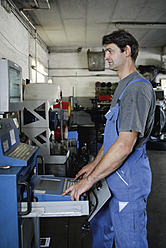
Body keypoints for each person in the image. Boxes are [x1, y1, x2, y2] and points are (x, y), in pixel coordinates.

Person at [62, 29, 156, 248]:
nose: (105, 57)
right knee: (101, 232)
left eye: (110, 51)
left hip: (128, 181)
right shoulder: (122, 87)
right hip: (110, 178)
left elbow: (124, 145)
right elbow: (112, 138)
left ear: (127, 51)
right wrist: (94, 165)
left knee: (129, 241)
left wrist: (89, 181)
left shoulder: (137, 89)